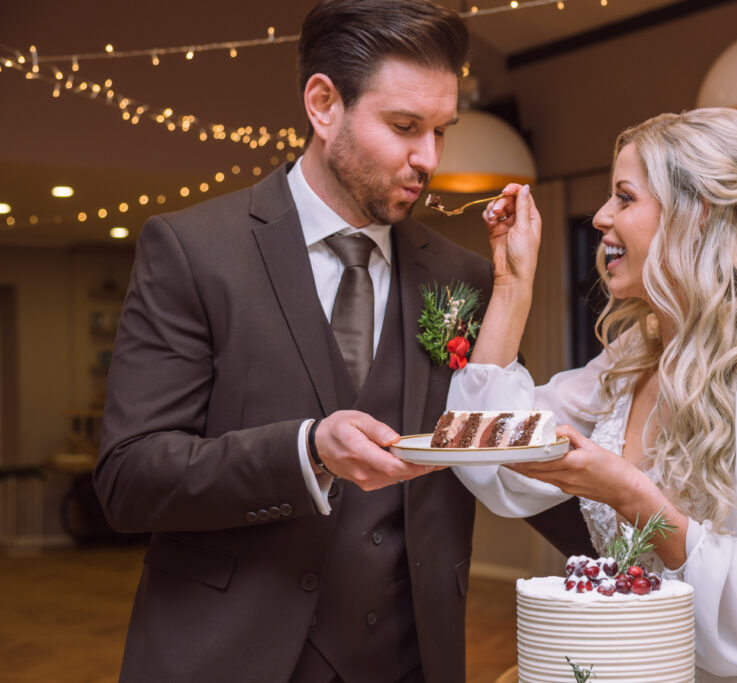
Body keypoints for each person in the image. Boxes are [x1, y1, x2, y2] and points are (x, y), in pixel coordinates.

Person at [94, 1, 590, 681]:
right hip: (229, 657)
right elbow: (129, 477)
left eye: (441, 130)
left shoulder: (465, 277)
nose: (430, 158)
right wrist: (305, 450)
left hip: (411, 659)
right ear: (324, 104)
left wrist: (657, 545)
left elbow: (510, 453)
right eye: (404, 126)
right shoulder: (192, 251)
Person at [449, 108, 737, 681]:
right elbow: (483, 449)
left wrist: (634, 496)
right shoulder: (631, 359)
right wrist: (512, 286)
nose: (600, 217)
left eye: (625, 197)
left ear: (697, 213)